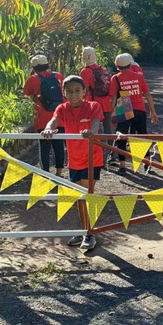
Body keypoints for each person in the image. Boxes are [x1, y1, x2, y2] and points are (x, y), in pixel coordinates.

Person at [41, 75, 104, 251]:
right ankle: (84, 229)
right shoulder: (62, 108)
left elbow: (96, 123)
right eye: (69, 91)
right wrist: (48, 129)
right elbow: (53, 120)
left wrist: (90, 131)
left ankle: (89, 233)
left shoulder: (93, 106)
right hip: (74, 160)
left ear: (84, 91)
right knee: (79, 197)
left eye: (77, 90)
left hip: (92, 158)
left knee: (87, 194)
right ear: (64, 93)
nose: (73, 94)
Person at [109, 53, 159, 175]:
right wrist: (153, 111)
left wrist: (112, 114)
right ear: (130, 64)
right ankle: (147, 164)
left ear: (117, 66)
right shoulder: (139, 76)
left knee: (122, 136)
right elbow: (147, 95)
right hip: (139, 108)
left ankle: (122, 166)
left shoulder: (115, 78)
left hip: (124, 108)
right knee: (142, 136)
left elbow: (114, 98)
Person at [23, 54, 65, 176]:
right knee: (59, 147)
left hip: (42, 118)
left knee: (44, 147)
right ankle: (59, 173)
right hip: (59, 117)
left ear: (34, 67)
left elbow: (26, 96)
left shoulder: (32, 79)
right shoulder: (59, 76)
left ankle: (45, 173)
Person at [79, 47, 115, 165]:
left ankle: (95, 156)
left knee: (93, 130)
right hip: (106, 103)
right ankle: (112, 154)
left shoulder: (84, 72)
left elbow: (85, 89)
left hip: (92, 104)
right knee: (108, 129)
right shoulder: (103, 69)